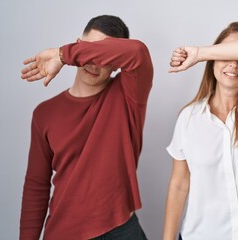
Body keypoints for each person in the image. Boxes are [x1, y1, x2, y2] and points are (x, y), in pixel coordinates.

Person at [20, 15, 153, 240]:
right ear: (78, 44)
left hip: (120, 229)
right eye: (89, 50)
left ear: (116, 63)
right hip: (64, 232)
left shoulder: (128, 95)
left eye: (103, 55)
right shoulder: (44, 113)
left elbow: (137, 52)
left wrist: (63, 55)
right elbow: (36, 186)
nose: (95, 62)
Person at [163, 22, 238, 240]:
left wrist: (200, 53)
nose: (234, 64)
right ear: (213, 62)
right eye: (226, 54)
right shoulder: (189, 118)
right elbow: (179, 184)